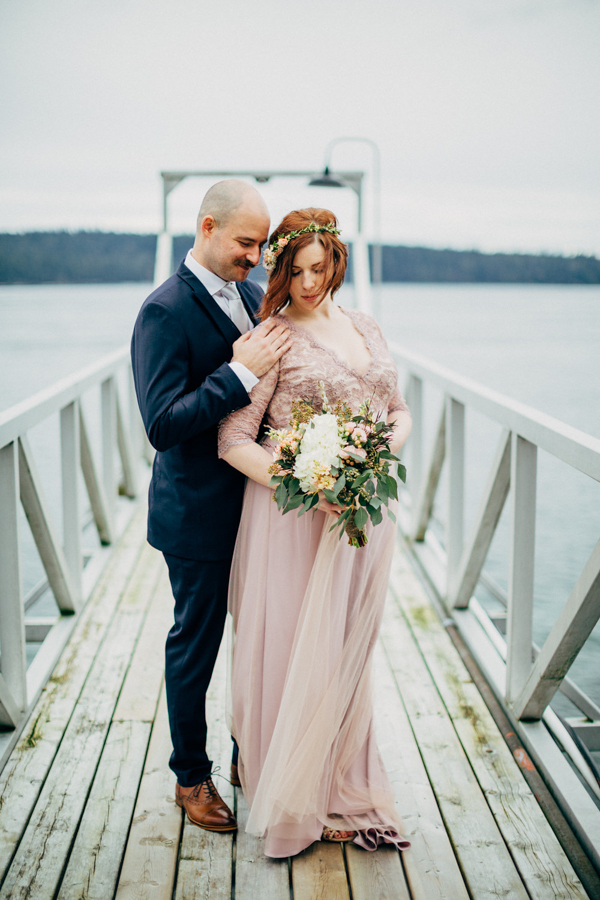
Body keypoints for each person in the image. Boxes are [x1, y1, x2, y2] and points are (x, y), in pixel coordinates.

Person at [218, 208, 412, 857]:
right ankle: (297, 794)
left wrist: (377, 459)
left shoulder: (366, 325)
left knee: (348, 649)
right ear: (279, 269)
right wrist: (310, 481)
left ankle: (341, 777)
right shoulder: (273, 336)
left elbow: (398, 410)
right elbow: (234, 439)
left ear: (336, 264)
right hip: (296, 519)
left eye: (318, 269)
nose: (307, 283)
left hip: (364, 515)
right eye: (294, 271)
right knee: (299, 649)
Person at [131, 180, 291, 833]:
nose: (256, 257)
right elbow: (162, 424)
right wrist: (238, 374)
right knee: (194, 647)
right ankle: (191, 777)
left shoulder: (254, 296)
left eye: (261, 244)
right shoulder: (163, 312)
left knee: (259, 641)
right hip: (196, 516)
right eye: (246, 242)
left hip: (261, 510)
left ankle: (247, 757)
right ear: (206, 227)